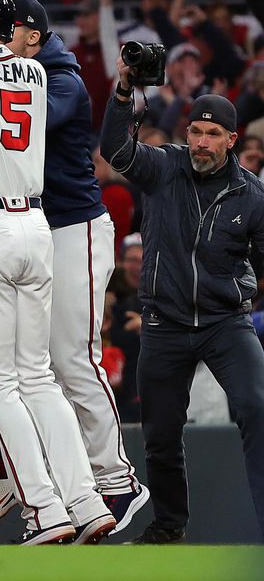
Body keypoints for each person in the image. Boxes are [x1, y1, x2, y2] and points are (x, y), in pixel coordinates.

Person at [6, 0, 151, 535]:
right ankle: (74, 485)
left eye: (5, 30)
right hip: (38, 231)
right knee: (37, 366)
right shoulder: (22, 69)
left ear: (32, 35)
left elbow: (17, 120)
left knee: (73, 358)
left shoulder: (60, 78)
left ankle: (117, 477)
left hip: (75, 228)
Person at [101, 83, 264, 544]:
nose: (201, 143)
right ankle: (169, 526)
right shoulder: (164, 165)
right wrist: (123, 94)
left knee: (257, 406)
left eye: (212, 134)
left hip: (225, 322)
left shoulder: (251, 193)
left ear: (231, 139)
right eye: (195, 132)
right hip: (164, 322)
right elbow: (115, 150)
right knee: (160, 431)